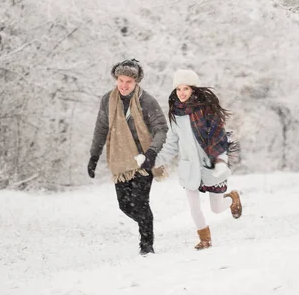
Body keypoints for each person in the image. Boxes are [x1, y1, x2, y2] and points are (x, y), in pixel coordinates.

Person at [154, 69, 242, 250]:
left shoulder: (208, 112)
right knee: (194, 207)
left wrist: (219, 162)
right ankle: (205, 239)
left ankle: (232, 198)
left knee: (216, 208)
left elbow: (219, 138)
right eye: (178, 89)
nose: (182, 93)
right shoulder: (175, 117)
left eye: (186, 88)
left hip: (211, 165)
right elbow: (171, 145)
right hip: (189, 168)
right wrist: (155, 160)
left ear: (193, 89)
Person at [87, 59, 168, 255]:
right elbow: (101, 128)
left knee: (140, 202)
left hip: (143, 159)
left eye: (128, 82)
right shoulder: (108, 100)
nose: (124, 85)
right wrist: (94, 156)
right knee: (125, 205)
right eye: (120, 80)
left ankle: (146, 245)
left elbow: (161, 129)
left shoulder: (146, 101)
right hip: (121, 159)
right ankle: (146, 224)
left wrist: (151, 153)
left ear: (136, 82)